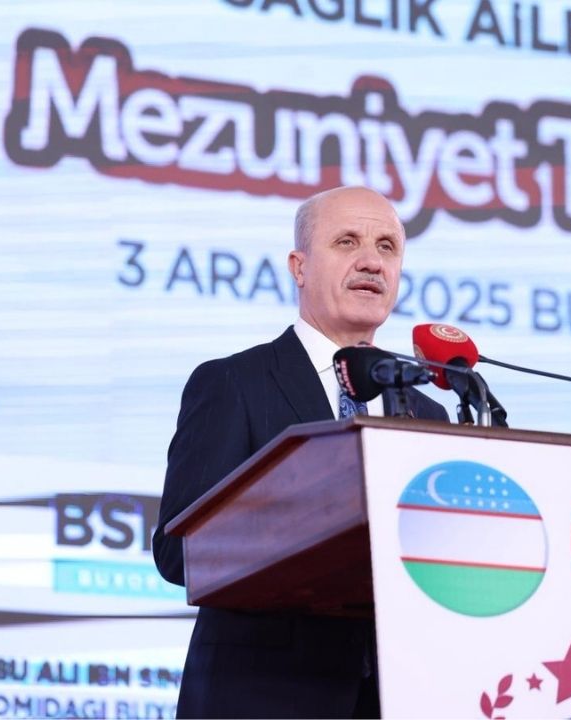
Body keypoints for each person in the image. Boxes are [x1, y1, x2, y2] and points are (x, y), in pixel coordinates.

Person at [153, 186, 449, 718]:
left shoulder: (427, 413)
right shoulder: (235, 383)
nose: (371, 261)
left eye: (386, 247)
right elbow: (181, 553)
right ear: (299, 267)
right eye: (347, 241)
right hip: (263, 696)